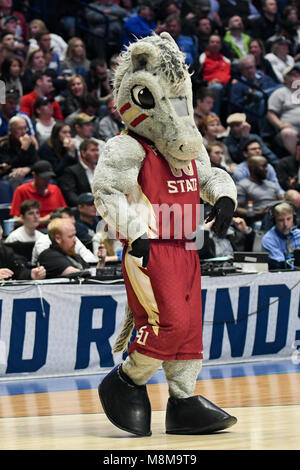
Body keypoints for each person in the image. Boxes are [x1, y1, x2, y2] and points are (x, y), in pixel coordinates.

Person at [37, 217, 105, 278]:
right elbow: (75, 273)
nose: (75, 240)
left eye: (74, 235)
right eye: (70, 236)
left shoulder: (75, 256)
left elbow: (92, 277)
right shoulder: (48, 256)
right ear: (58, 238)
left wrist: (101, 262)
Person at [31, 206, 98, 265]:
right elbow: (55, 264)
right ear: (56, 224)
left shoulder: (73, 238)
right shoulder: (43, 242)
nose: (72, 226)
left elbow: (90, 259)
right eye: (67, 223)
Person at [230, 54, 279, 132]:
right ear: (241, 70)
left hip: (272, 105)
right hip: (250, 112)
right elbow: (235, 105)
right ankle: (266, 134)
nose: (250, 70)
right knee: (263, 102)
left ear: (255, 67)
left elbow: (277, 89)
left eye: (251, 67)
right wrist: (247, 98)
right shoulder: (238, 85)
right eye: (246, 68)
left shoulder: (265, 78)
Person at [9, 160, 67, 227]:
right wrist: (41, 221)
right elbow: (15, 220)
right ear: (34, 175)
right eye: (43, 178)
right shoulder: (21, 191)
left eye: (49, 178)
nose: (47, 181)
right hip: (32, 231)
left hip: (55, 229)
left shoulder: (55, 189)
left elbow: (65, 213)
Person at [235, 155, 283, 225]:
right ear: (253, 168)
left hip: (277, 215)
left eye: (266, 166)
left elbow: (282, 201)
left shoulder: (271, 184)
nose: (266, 169)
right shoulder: (242, 186)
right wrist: (257, 213)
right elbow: (236, 209)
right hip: (258, 220)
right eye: (263, 166)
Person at [267, 65, 300, 156]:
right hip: (291, 128)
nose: (296, 76)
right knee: (288, 133)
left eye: (298, 74)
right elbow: (271, 113)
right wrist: (280, 125)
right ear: (285, 79)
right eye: (292, 74)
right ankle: (296, 159)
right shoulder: (279, 93)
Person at [58, 139, 100, 207]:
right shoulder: (71, 171)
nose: (96, 153)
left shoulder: (101, 170)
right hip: (86, 209)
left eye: (97, 150)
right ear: (83, 153)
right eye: (93, 150)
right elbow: (71, 196)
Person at [0, 116, 38, 186]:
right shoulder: (3, 144)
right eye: (19, 129)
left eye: (25, 128)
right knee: (16, 176)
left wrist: (28, 169)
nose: (23, 132)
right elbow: (9, 166)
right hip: (9, 176)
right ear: (10, 130)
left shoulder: (29, 143)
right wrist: (23, 149)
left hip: (27, 174)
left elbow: (36, 163)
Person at [262, 201, 300, 269]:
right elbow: (284, 266)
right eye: (281, 220)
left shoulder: (298, 234)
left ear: (293, 219)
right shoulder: (269, 239)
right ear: (274, 221)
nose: (286, 224)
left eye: (289, 219)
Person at [199, 33, 231, 114]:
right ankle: (213, 117)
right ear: (208, 44)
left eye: (217, 42)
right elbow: (196, 77)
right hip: (207, 87)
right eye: (212, 42)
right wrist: (207, 82)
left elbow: (232, 75)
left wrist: (233, 81)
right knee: (216, 87)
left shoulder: (226, 60)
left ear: (221, 45)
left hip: (226, 87)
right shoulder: (202, 58)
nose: (215, 44)